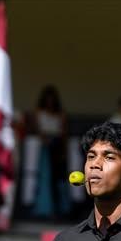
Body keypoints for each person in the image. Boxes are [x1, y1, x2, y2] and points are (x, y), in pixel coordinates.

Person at [30, 84, 70, 219]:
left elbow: (64, 133)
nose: (50, 102)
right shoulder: (38, 112)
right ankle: (45, 208)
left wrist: (64, 151)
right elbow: (36, 129)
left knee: (60, 178)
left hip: (58, 145)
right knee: (45, 177)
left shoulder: (61, 113)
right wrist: (43, 137)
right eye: (48, 99)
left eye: (52, 99)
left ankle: (62, 208)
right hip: (46, 147)